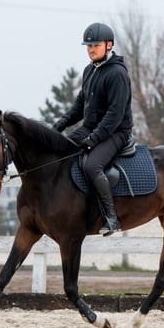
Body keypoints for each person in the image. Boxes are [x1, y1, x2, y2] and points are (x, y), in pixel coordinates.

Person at [52, 22, 134, 236]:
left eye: (95, 45)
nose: (90, 49)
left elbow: (114, 116)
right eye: (88, 46)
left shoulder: (117, 74)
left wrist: (93, 139)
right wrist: (59, 126)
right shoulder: (90, 71)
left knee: (92, 166)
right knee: (62, 153)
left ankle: (111, 217)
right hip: (91, 128)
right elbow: (79, 107)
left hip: (117, 132)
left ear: (109, 45)